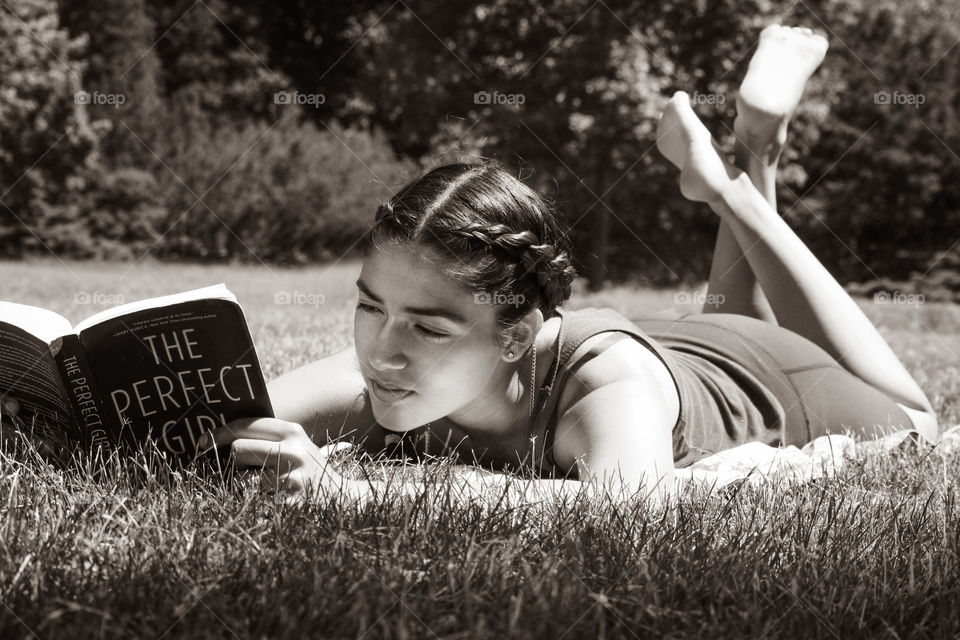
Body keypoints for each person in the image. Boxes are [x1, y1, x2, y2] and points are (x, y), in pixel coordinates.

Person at [202, 25, 939, 506]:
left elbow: (631, 513)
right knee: (730, 312)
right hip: (690, 353)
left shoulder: (602, 388)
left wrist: (358, 492)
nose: (381, 352)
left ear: (518, 336)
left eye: (428, 330)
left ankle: (727, 186)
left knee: (920, 418)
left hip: (784, 380)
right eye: (371, 307)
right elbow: (205, 421)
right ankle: (758, 140)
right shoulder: (386, 365)